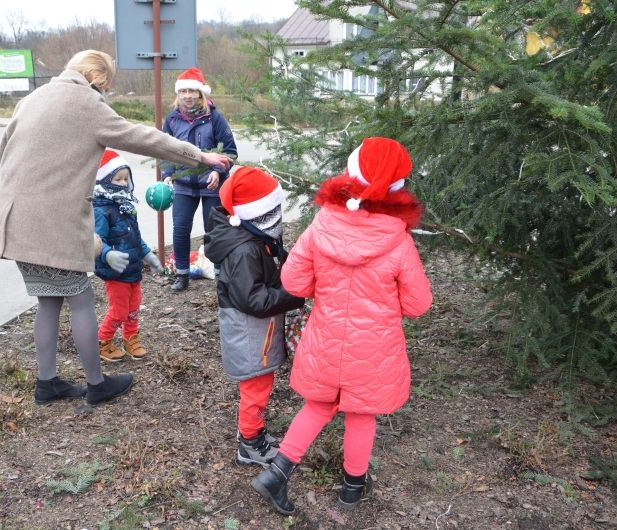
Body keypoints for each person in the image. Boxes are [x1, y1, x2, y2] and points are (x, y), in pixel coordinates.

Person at [0, 50, 232, 407]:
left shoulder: (32, 98)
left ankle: (47, 383)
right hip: (52, 222)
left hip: (14, 218)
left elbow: (3, 152)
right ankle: (97, 384)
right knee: (81, 300)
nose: (105, 91)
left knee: (49, 299)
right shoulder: (86, 102)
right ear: (97, 79)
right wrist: (200, 156)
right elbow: (142, 137)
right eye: (106, 85)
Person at [250, 138, 433, 514]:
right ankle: (352, 488)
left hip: (326, 338)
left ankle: (276, 474)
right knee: (362, 416)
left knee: (317, 406)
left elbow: (294, 282)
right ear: (396, 188)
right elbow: (418, 305)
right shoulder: (398, 242)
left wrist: (326, 286)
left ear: (350, 175)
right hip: (374, 347)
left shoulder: (321, 227)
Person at [203, 168, 305, 467]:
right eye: (273, 210)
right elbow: (253, 299)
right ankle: (249, 444)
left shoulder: (250, 237)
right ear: (258, 214)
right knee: (256, 388)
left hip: (257, 331)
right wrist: (294, 293)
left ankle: (252, 431)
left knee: (258, 385)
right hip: (250, 333)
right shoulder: (245, 251)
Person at [162, 67, 238, 292]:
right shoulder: (172, 119)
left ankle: (220, 275)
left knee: (213, 231)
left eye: (192, 91)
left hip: (212, 185)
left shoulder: (214, 118)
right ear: (178, 93)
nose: (187, 96)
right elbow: (165, 150)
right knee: (180, 229)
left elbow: (230, 151)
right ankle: (182, 274)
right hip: (183, 186)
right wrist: (168, 175)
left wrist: (218, 171)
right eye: (183, 91)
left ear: (200, 93)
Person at [93, 150, 163, 362]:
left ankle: (130, 340)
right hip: (115, 272)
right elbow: (94, 241)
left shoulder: (125, 206)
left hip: (133, 269)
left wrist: (148, 255)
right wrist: (108, 255)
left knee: (133, 309)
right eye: (118, 179)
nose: (123, 183)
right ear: (104, 180)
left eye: (125, 179)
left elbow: (135, 237)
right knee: (119, 311)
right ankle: (103, 342)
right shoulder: (100, 211)